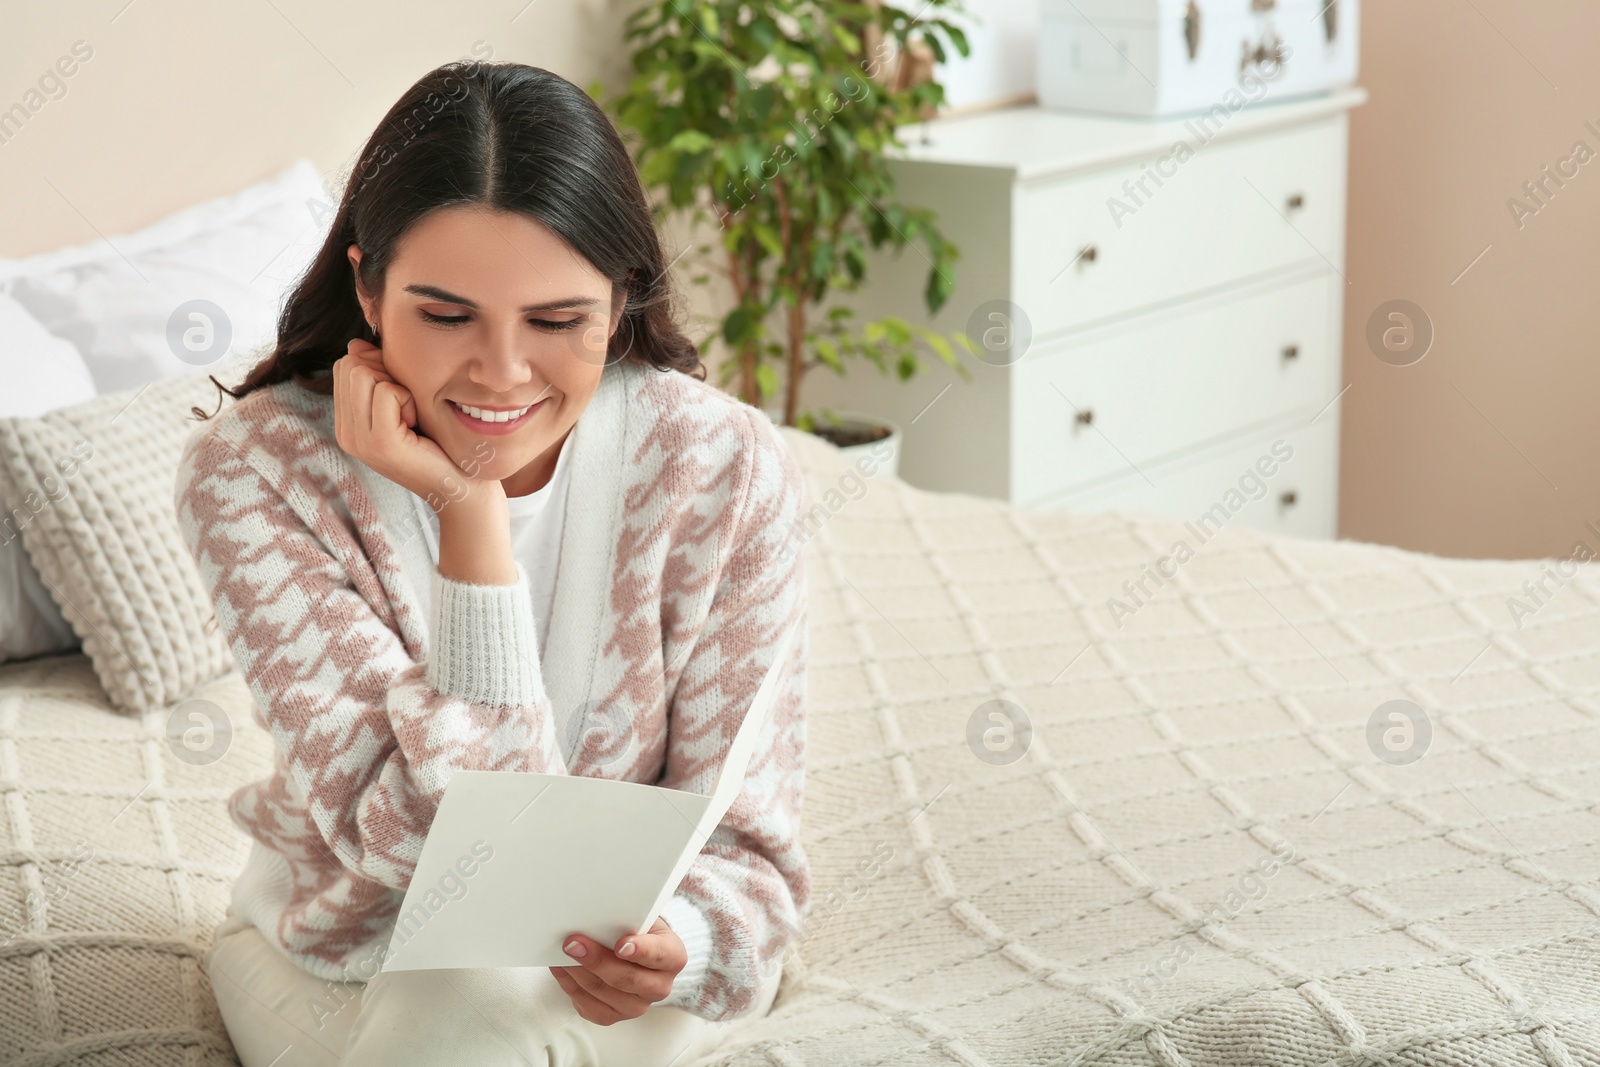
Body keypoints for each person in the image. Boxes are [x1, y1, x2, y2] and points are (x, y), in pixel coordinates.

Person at [173, 60, 810, 1066]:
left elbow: (754, 857)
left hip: (611, 974)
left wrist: (681, 945)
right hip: (336, 955)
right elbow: (446, 857)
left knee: (469, 1020)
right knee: (454, 1012)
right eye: (446, 313)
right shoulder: (256, 470)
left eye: (558, 322)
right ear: (368, 290)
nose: (502, 373)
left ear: (618, 301)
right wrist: (466, 518)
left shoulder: (723, 468)